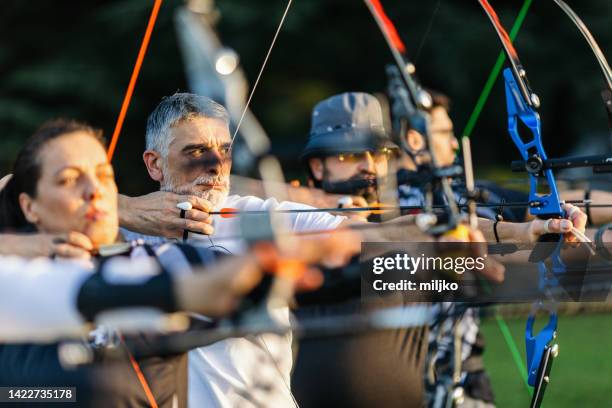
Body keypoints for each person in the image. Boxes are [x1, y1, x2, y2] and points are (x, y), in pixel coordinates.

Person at [0, 118, 358, 408]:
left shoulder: (153, 260)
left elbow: (212, 285)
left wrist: (276, 266)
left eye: (105, 177)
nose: (95, 190)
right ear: (29, 206)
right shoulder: (18, 280)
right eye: (68, 180)